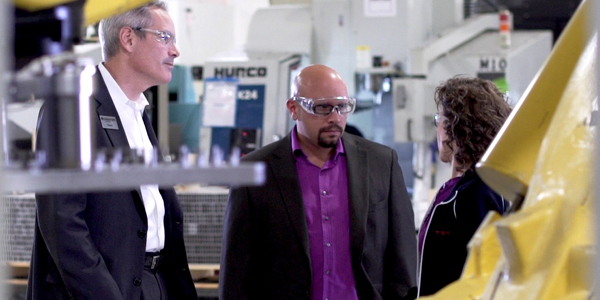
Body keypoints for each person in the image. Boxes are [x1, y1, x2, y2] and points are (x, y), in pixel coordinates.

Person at [27, 2, 198, 300]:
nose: (175, 51)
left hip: (152, 282)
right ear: (129, 39)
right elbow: (63, 224)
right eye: (165, 37)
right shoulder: (71, 106)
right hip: (100, 289)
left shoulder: (138, 112)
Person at [219, 64, 418, 300]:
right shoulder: (254, 172)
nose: (335, 118)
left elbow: (403, 260)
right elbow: (236, 272)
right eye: (322, 107)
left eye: (342, 107)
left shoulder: (382, 163)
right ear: (294, 108)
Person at [417, 76, 512, 296]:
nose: (437, 130)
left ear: (453, 128)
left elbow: (485, 278)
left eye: (437, 120)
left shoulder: (478, 193)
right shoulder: (458, 189)